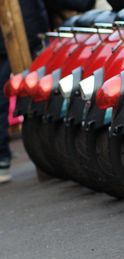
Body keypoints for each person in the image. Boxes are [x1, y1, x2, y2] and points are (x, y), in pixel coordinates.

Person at [0, 0, 49, 184]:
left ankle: (45, 158)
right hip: (23, 39)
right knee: (36, 97)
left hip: (23, 36)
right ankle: (45, 158)